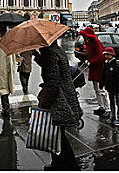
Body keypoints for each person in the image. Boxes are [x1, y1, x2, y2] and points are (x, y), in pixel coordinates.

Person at [35, 40, 83, 170]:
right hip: (64, 93)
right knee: (57, 134)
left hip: (58, 98)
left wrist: (44, 103)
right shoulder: (55, 50)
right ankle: (62, 164)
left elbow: (53, 81)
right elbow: (51, 67)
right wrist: (37, 55)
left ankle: (65, 165)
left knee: (56, 135)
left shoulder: (49, 53)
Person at [79, 27, 110, 118]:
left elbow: (100, 57)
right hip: (94, 67)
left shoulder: (95, 42)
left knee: (101, 89)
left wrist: (90, 61)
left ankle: (107, 109)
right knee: (96, 89)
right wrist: (88, 60)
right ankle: (101, 106)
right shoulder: (89, 43)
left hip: (99, 68)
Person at [100, 47, 119, 126]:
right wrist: (102, 84)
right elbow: (103, 75)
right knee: (111, 102)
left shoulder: (116, 65)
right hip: (109, 87)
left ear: (112, 55)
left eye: (108, 54)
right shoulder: (106, 64)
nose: (106, 56)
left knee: (118, 102)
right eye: (105, 55)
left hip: (116, 87)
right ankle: (112, 116)